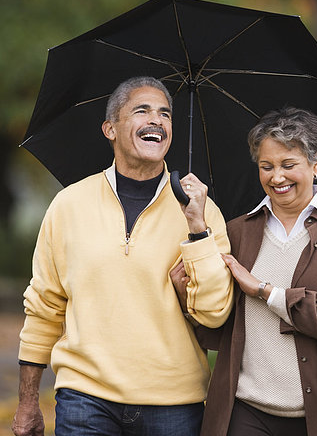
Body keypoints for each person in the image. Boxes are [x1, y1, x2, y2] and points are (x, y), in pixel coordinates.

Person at [12, 76, 233, 436]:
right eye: (141, 110)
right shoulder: (69, 204)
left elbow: (214, 313)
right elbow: (43, 308)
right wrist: (26, 401)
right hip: (85, 399)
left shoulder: (203, 212)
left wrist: (196, 229)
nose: (156, 120)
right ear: (110, 129)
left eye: (165, 114)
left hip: (174, 405)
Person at [198, 107, 317, 436]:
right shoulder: (235, 231)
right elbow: (214, 330)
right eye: (266, 166)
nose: (276, 177)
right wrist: (191, 287)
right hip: (245, 410)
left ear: (316, 162)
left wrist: (264, 291)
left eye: (288, 165)